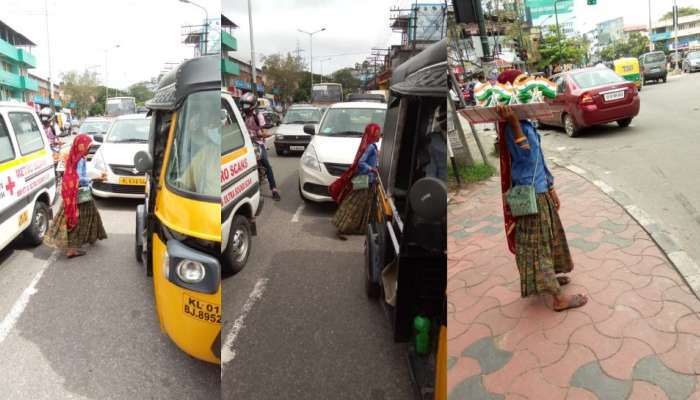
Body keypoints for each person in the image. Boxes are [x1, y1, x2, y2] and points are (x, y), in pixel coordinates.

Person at [495, 69, 587, 312]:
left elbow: (539, 159)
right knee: (536, 247)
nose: (530, 93)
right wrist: (514, 125)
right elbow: (524, 156)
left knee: (548, 239)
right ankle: (558, 298)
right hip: (530, 195)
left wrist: (552, 186)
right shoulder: (511, 126)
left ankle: (550, 280)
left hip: (541, 191)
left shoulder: (526, 122)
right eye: (522, 87)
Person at [44, 134, 107, 258]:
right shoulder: (80, 159)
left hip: (72, 192)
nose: (89, 149)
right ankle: (72, 250)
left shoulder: (74, 156)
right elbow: (79, 177)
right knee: (75, 219)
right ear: (82, 146)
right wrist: (94, 179)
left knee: (85, 215)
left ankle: (88, 238)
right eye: (88, 147)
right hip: (78, 193)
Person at [329, 123, 381, 240]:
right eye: (377, 133)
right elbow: (361, 162)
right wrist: (371, 168)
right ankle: (341, 228)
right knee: (353, 204)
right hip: (364, 179)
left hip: (368, 179)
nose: (379, 136)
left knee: (361, 204)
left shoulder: (372, 146)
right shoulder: (371, 147)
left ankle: (356, 228)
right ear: (372, 134)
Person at [241, 93, 281, 201]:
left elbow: (263, 131)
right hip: (245, 144)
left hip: (257, 143)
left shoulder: (258, 116)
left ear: (252, 105)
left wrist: (264, 134)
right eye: (244, 105)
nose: (245, 108)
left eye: (247, 105)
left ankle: (274, 189)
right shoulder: (242, 116)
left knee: (266, 163)